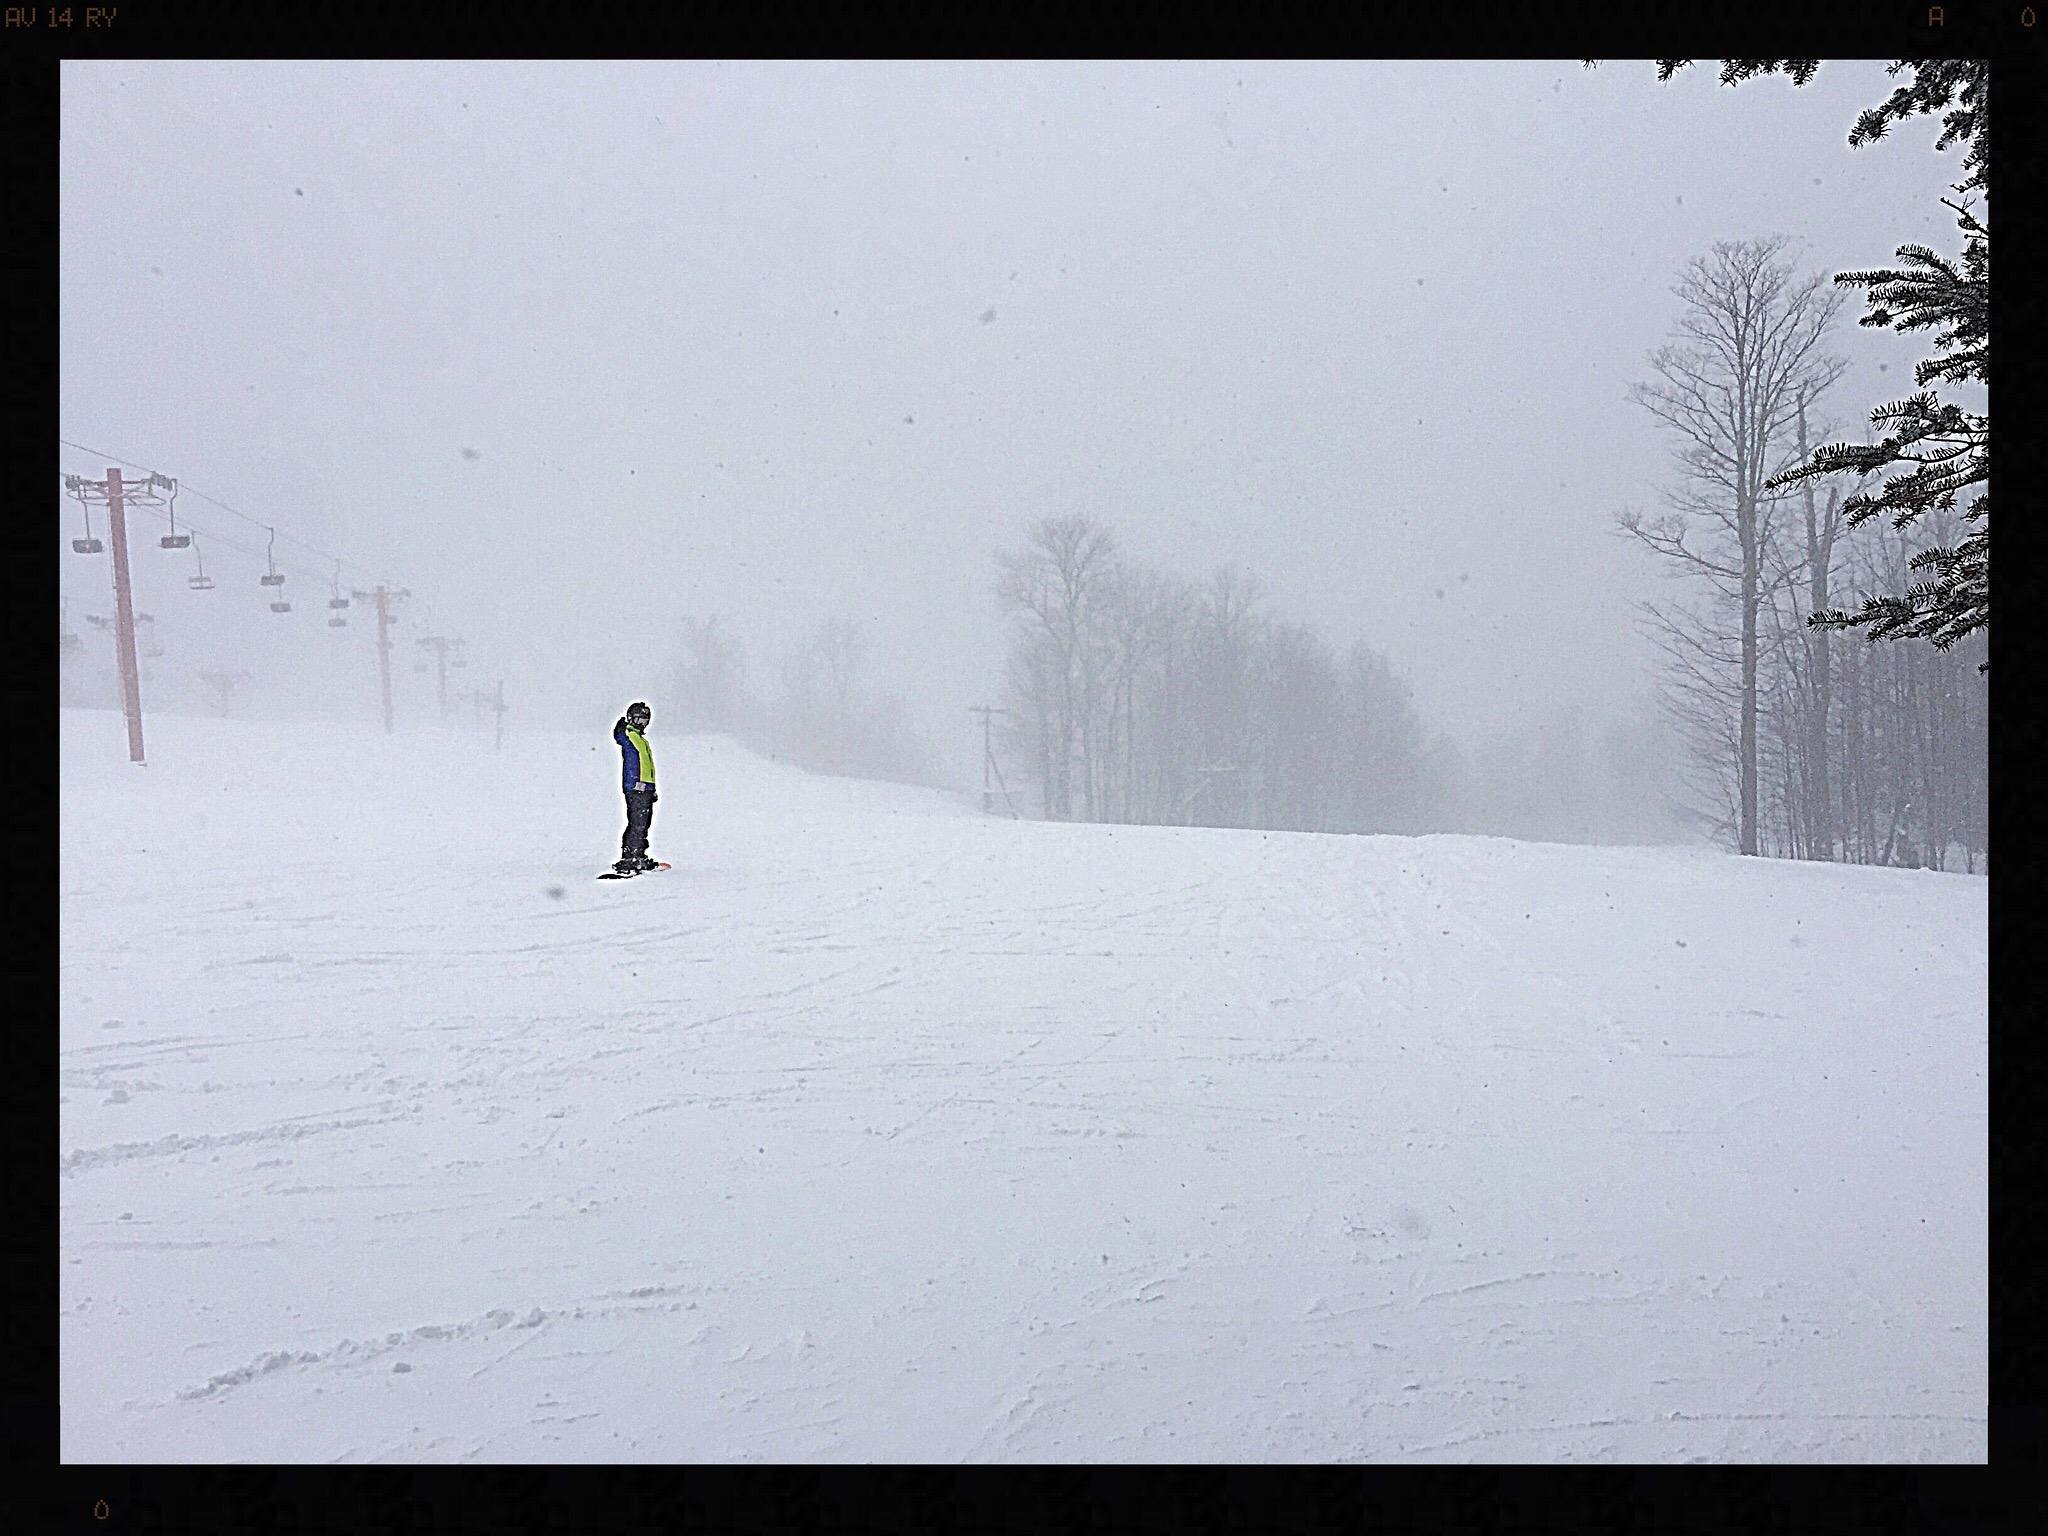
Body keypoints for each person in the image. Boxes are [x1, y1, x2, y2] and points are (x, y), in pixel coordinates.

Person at [612, 701, 659, 874]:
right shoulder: (629, 735)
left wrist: (651, 788)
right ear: (631, 719)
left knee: (644, 823)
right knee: (637, 823)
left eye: (645, 721)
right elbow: (620, 738)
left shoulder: (641, 740)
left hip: (645, 787)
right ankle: (629, 857)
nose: (642, 724)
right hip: (635, 786)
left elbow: (647, 766)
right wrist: (621, 728)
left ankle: (639, 854)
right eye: (639, 720)